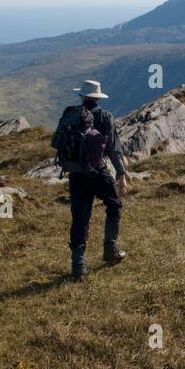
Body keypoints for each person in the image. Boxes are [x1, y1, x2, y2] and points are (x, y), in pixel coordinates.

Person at [57, 80, 127, 275]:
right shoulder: (105, 116)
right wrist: (121, 175)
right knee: (114, 205)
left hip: (76, 173)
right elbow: (114, 149)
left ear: (82, 96)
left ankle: (78, 264)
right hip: (98, 171)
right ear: (97, 97)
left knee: (80, 216)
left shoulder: (70, 114)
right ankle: (110, 249)